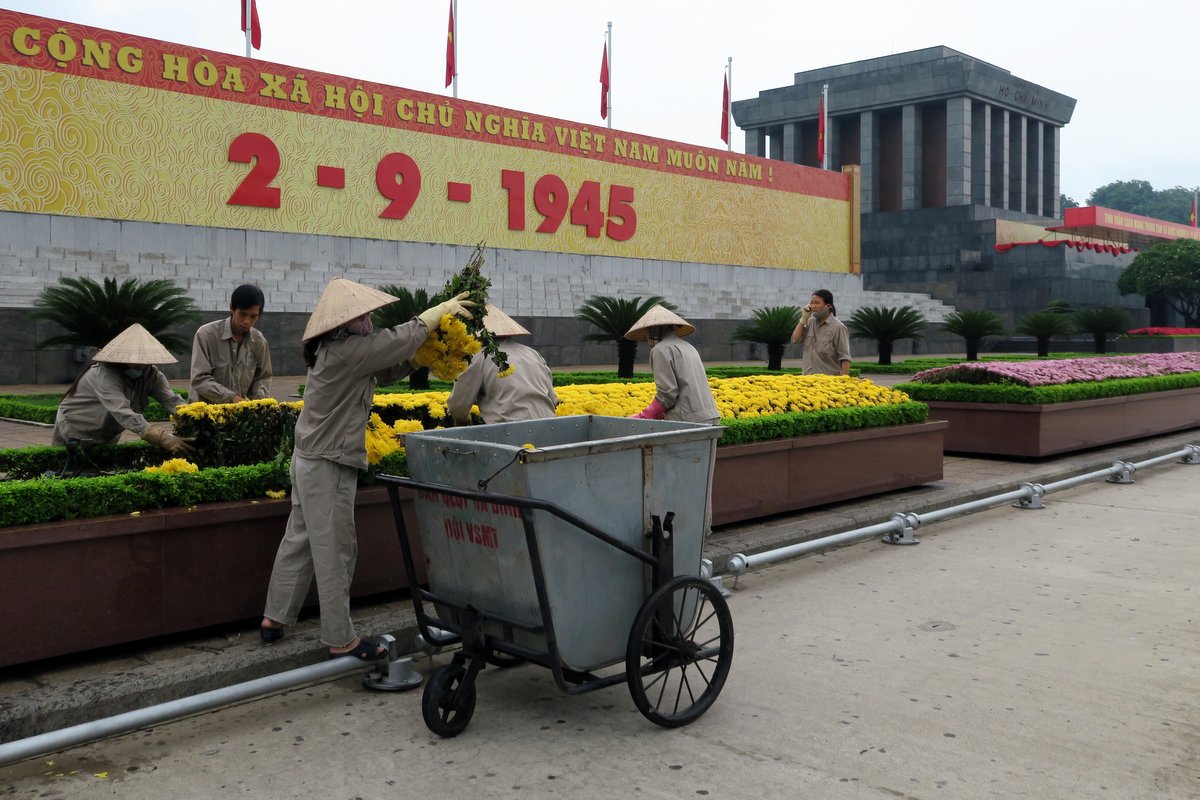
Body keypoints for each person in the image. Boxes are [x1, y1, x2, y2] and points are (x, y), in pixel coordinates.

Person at [260, 278, 473, 661]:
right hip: (327, 466)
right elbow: (396, 341)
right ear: (344, 324)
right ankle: (340, 638)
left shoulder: (336, 351)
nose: (370, 322)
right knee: (336, 550)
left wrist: (416, 360)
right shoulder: (347, 350)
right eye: (364, 317)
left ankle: (274, 617)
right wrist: (437, 313)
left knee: (300, 540)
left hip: (310, 460)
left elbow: (383, 369)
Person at [52, 323, 193, 454]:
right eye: (136, 360)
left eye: (144, 360)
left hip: (107, 432)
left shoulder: (151, 375)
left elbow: (171, 400)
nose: (141, 365)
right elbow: (122, 411)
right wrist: (162, 438)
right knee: (69, 467)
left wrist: (192, 418)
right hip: (75, 428)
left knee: (103, 467)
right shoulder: (104, 374)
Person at [446, 304, 558, 425]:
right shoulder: (533, 353)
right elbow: (553, 399)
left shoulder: (477, 357)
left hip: (509, 430)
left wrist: (465, 422)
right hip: (549, 426)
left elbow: (458, 408)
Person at [625, 305, 719, 424]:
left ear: (656, 329)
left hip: (688, 420)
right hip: (711, 416)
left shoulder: (660, 349)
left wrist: (645, 415)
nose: (648, 334)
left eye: (649, 330)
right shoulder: (689, 347)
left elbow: (667, 393)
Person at [189, 284, 273, 403]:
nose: (247, 321)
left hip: (239, 411)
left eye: (253, 316)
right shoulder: (206, 335)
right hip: (203, 411)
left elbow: (263, 378)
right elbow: (199, 379)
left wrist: (260, 402)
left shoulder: (259, 342)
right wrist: (231, 398)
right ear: (231, 308)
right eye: (242, 314)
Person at [790, 288, 852, 376]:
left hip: (828, 381)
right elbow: (795, 340)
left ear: (828, 306)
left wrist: (844, 380)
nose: (813, 306)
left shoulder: (838, 327)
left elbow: (845, 357)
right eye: (811, 303)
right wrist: (803, 319)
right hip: (807, 379)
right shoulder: (810, 322)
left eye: (817, 303)